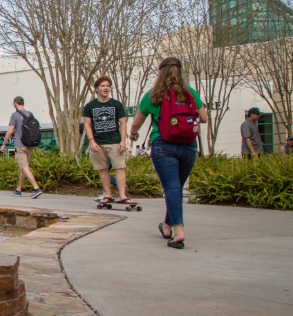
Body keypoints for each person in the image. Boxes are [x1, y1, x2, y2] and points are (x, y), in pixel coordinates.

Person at [129, 57, 207, 250]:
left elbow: (137, 122)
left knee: (171, 188)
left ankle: (178, 231)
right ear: (180, 72)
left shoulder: (153, 95)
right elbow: (204, 117)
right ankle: (166, 226)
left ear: (160, 73)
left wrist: (133, 133)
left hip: (163, 145)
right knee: (176, 188)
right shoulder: (189, 93)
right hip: (188, 146)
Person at [82, 76, 134, 206]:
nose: (106, 88)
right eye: (103, 86)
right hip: (98, 142)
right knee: (103, 169)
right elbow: (87, 125)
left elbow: (123, 122)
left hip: (114, 141)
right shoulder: (90, 106)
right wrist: (92, 141)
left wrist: (123, 140)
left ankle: (122, 195)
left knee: (120, 167)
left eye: (108, 86)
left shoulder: (116, 104)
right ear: (96, 88)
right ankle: (108, 194)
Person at [0, 96, 43, 198]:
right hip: (30, 145)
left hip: (20, 145)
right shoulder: (30, 114)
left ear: (15, 103)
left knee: (24, 166)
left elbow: (10, 131)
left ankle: (36, 188)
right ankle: (18, 190)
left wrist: (4, 143)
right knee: (23, 168)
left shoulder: (15, 115)